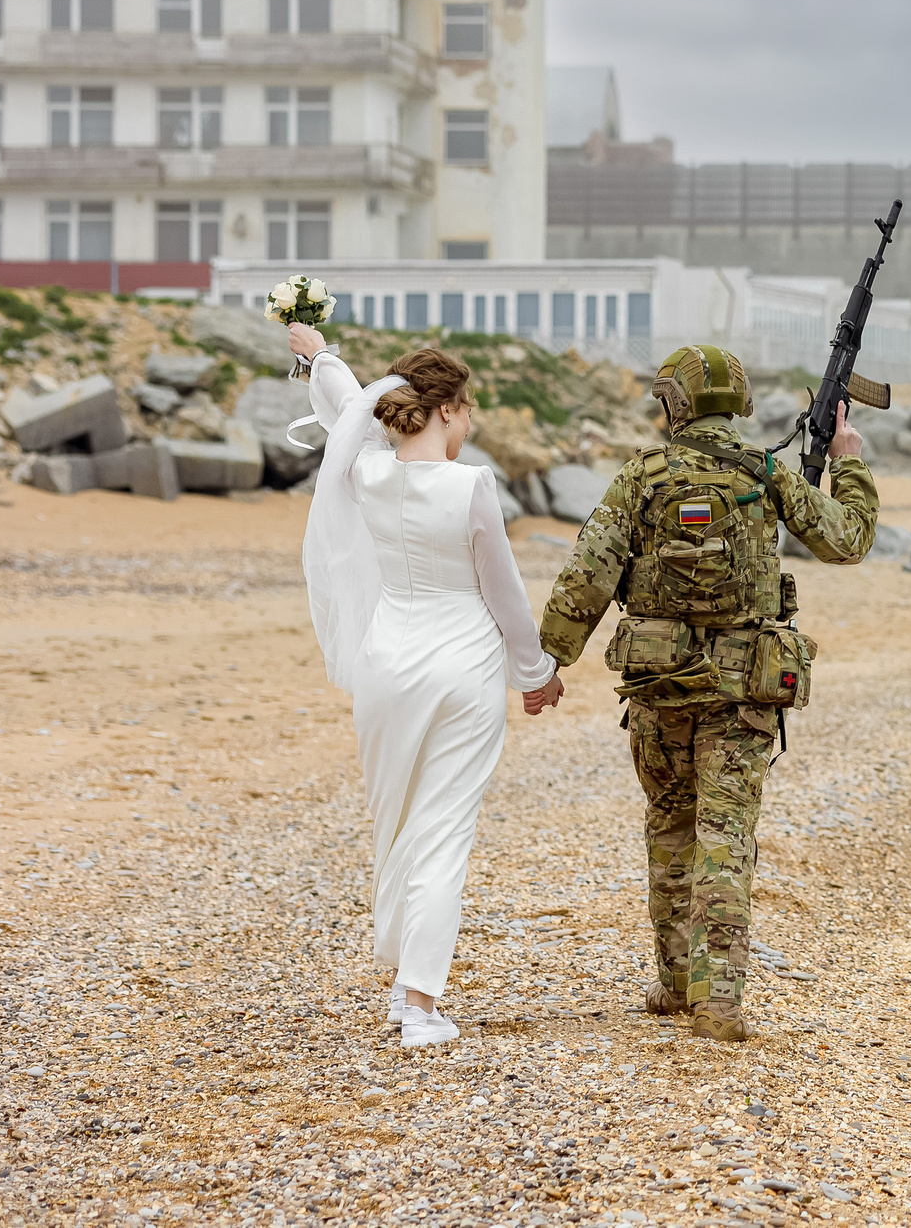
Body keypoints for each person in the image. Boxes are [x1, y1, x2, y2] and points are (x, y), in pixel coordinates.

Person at [537, 344, 877, 1043]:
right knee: (726, 835)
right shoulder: (767, 472)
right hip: (743, 688)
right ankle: (718, 1003)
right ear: (740, 404)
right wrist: (847, 457)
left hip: (660, 688)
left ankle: (676, 981)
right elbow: (847, 539)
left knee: (670, 825)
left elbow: (587, 576)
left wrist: (546, 662)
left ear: (675, 403)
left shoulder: (642, 476)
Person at [290, 323, 559, 1049]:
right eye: (467, 409)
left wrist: (316, 356)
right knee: (443, 830)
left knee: (399, 823)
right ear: (446, 409)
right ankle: (418, 1002)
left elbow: (349, 405)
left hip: (385, 664)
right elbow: (504, 593)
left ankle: (406, 981)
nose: (469, 423)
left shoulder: (367, 471)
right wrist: (535, 674)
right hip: (461, 665)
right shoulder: (469, 485)